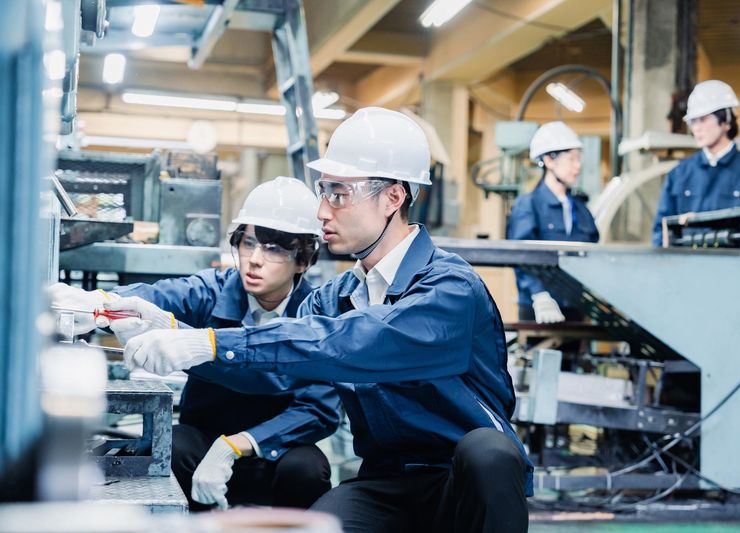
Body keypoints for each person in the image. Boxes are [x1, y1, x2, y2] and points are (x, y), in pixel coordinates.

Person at [118, 107, 533, 533]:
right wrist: (176, 334)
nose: (321, 211)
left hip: (460, 482)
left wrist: (209, 342)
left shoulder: (450, 287)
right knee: (316, 527)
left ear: (393, 198)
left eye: (338, 194)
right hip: (387, 481)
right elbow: (274, 368)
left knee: (489, 452)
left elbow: (361, 341)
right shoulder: (333, 299)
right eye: (323, 192)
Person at [48, 177, 339, 511]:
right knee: (174, 448)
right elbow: (162, 295)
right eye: (248, 243)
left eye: (273, 249)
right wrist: (103, 303)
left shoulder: (317, 316)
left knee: (307, 469)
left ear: (303, 259)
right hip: (204, 438)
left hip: (275, 446)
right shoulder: (213, 290)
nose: (255, 259)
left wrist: (237, 445)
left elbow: (319, 409)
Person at [506, 121, 599, 324]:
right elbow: (522, 257)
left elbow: (594, 256)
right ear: (549, 160)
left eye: (579, 159)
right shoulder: (528, 205)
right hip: (539, 310)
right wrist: (539, 295)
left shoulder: (582, 210)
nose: (578, 166)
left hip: (575, 309)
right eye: (571, 159)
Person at [652, 80, 740, 246]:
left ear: (726, 121)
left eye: (703, 119)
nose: (696, 128)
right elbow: (660, 234)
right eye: (693, 121)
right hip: (687, 262)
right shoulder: (679, 174)